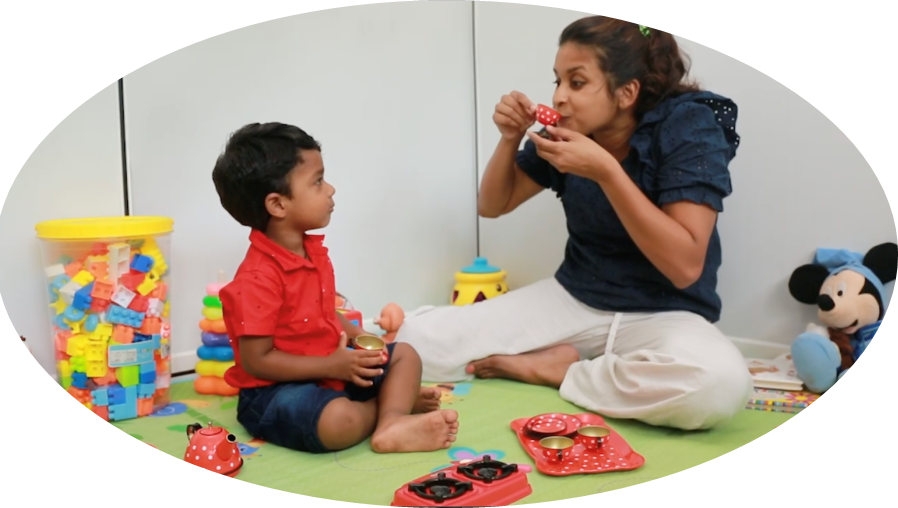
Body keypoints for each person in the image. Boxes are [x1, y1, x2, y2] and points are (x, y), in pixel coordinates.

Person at [394, 17, 753, 431]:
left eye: (576, 83)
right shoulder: (567, 131)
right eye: (558, 80)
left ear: (627, 92)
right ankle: (584, 364)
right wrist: (510, 138)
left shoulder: (688, 126)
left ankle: (563, 371)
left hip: (668, 312)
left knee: (717, 386)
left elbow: (685, 266)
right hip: (574, 298)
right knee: (410, 344)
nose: (559, 97)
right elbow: (492, 205)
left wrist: (607, 173)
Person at [211, 122, 459, 454]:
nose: (330, 189)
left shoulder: (312, 253)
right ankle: (388, 407)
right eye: (317, 182)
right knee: (338, 422)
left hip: (332, 372)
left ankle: (392, 422)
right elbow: (258, 361)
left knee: (405, 355)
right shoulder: (258, 278)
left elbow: (323, 313)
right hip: (276, 391)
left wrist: (358, 337)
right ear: (278, 205)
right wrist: (333, 365)